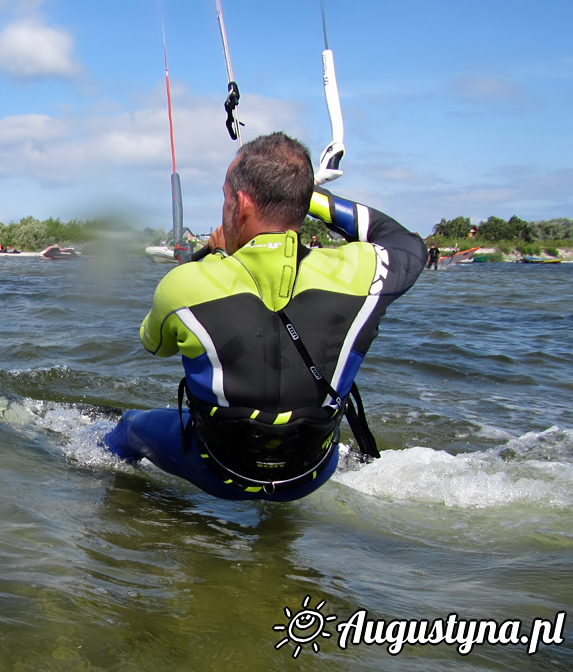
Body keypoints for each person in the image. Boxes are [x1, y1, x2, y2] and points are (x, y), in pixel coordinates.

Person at [103, 132, 426, 501]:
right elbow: (403, 239)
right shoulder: (364, 271)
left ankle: (111, 504)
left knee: (129, 427)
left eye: (225, 199)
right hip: (309, 474)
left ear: (240, 205)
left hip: (219, 473)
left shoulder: (184, 284)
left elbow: (153, 343)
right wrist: (310, 199)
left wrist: (212, 256)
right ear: (302, 203)